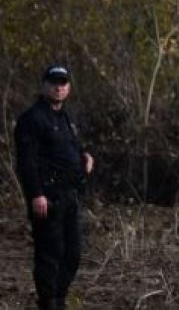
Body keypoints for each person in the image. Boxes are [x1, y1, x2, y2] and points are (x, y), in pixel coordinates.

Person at [14, 65, 94, 310]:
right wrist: (36, 194)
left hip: (70, 197)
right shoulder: (32, 119)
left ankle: (59, 300)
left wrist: (84, 158)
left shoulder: (66, 118)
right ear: (44, 85)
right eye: (54, 82)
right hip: (47, 198)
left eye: (63, 83)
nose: (59, 87)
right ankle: (48, 303)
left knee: (72, 255)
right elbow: (26, 162)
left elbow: (70, 148)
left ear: (69, 88)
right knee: (50, 255)